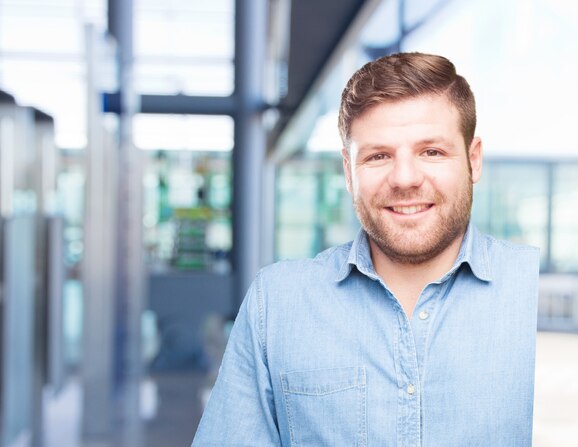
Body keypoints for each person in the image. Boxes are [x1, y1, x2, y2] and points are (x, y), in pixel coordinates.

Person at [192, 52, 539, 446]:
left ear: (473, 160)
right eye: (378, 156)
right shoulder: (278, 304)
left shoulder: (531, 292)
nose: (405, 178)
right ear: (348, 170)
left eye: (432, 152)